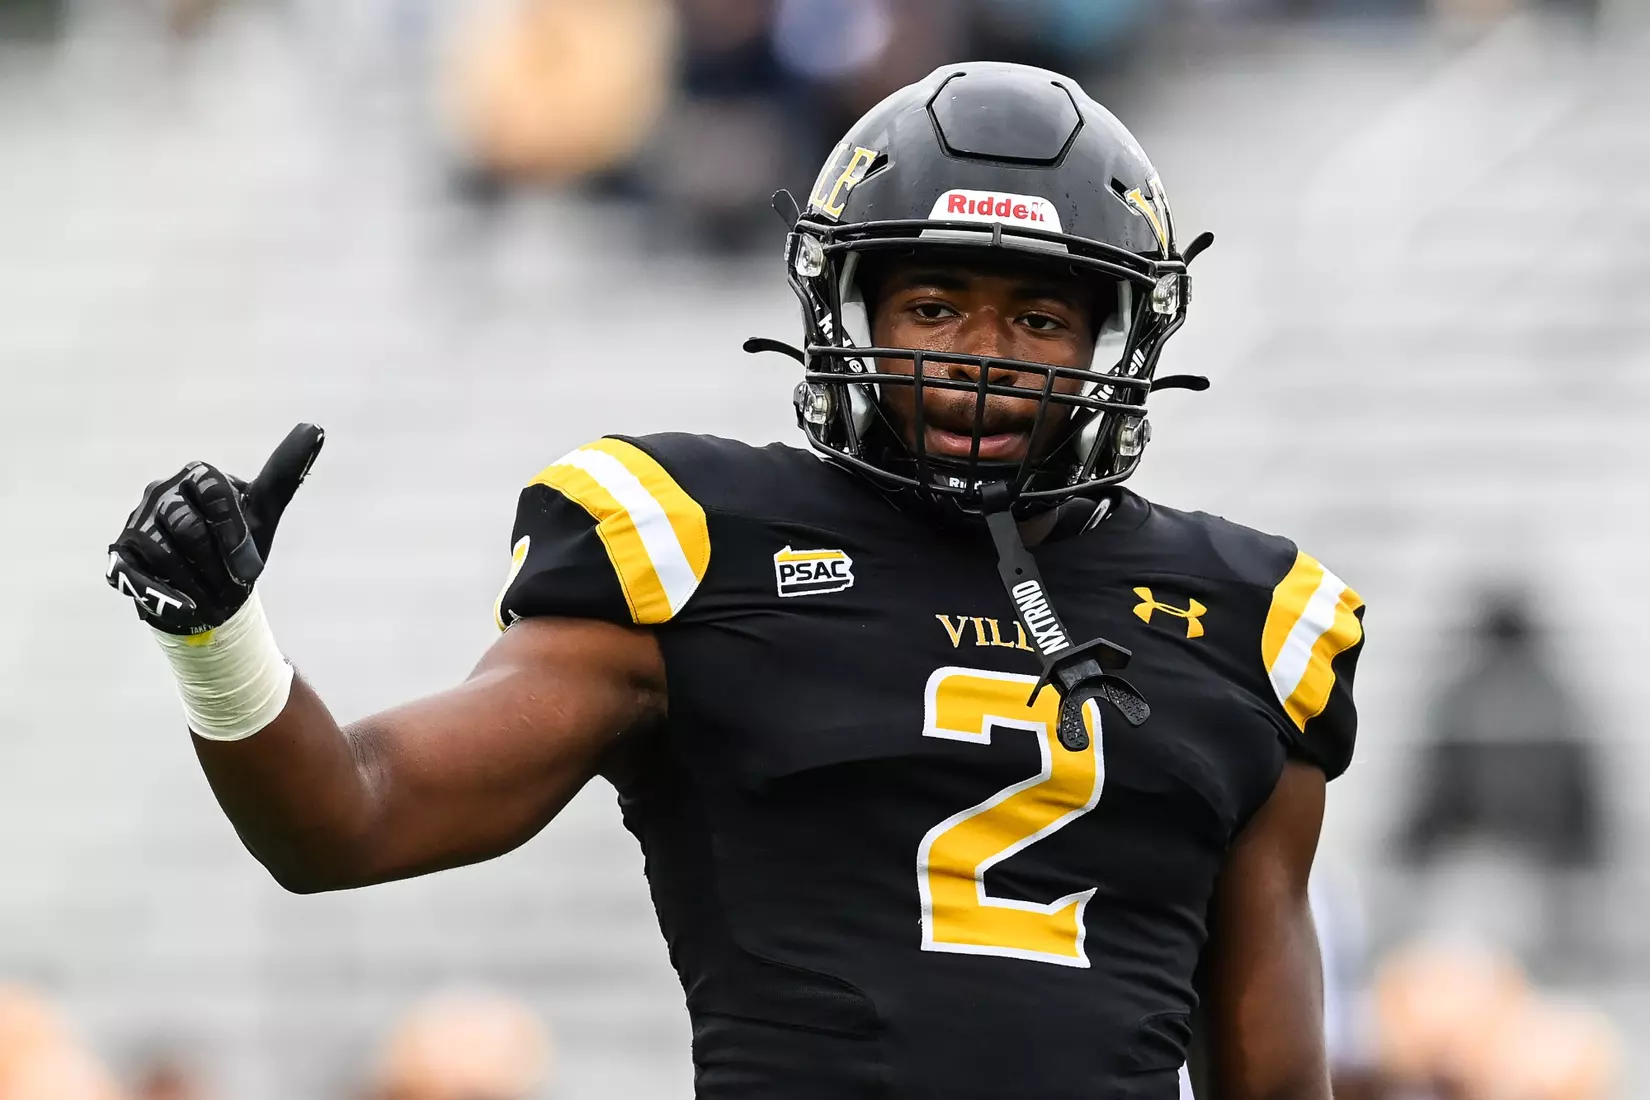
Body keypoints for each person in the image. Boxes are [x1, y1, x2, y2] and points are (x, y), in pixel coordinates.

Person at [105, 62, 1366, 1100]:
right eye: (935, 306)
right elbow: (350, 818)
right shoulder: (704, 541)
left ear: (1118, 337)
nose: (986, 358)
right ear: (850, 309)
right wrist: (216, 631)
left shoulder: (1246, 614)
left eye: (1039, 320)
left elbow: (1271, 1067)